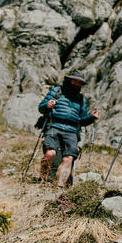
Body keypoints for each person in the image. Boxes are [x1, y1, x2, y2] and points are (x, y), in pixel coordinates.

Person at [38, 72, 99, 201]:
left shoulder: (81, 99)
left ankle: (59, 188)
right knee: (50, 153)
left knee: (69, 158)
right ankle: (43, 179)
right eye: (75, 81)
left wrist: (92, 118)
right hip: (54, 126)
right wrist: (47, 105)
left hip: (71, 131)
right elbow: (41, 107)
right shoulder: (56, 91)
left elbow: (81, 120)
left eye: (79, 83)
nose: (77, 84)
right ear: (69, 80)